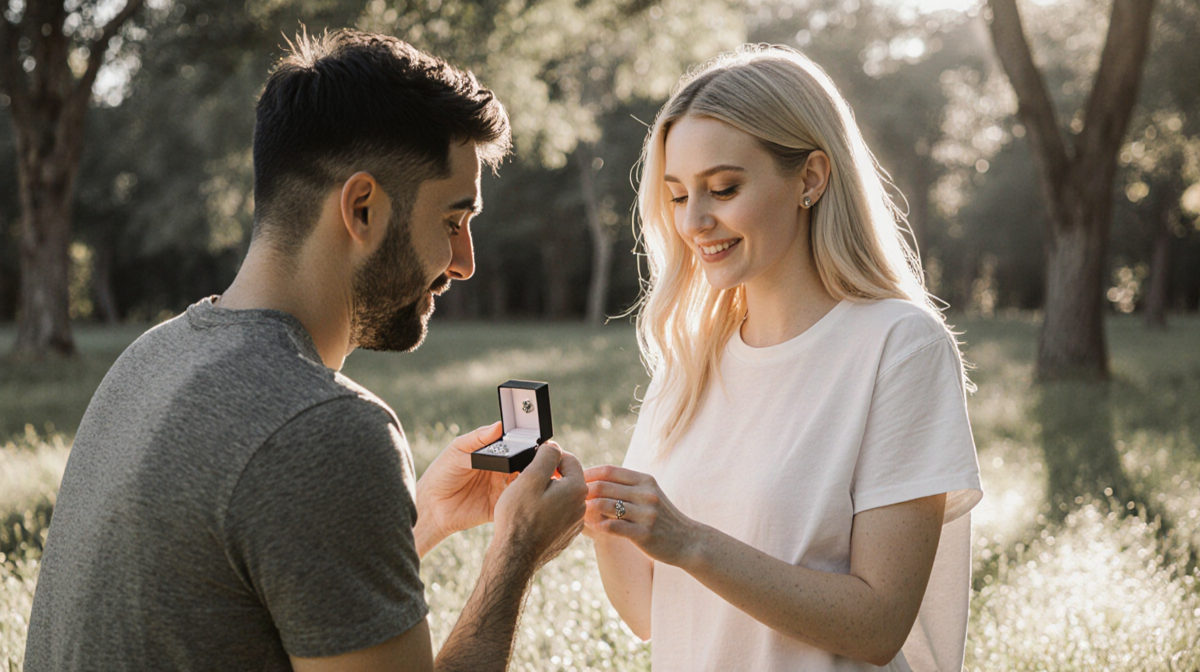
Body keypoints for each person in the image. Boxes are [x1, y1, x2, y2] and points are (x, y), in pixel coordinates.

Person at [24, 29, 587, 672]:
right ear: (363, 208)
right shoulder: (325, 430)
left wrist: (424, 518)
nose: (464, 264)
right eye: (454, 222)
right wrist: (516, 556)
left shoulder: (149, 360)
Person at [584, 45, 983, 672]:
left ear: (811, 178)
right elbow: (646, 611)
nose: (695, 221)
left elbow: (879, 624)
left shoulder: (898, 346)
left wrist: (689, 542)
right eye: (678, 195)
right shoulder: (688, 359)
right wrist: (595, 512)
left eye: (723, 188)